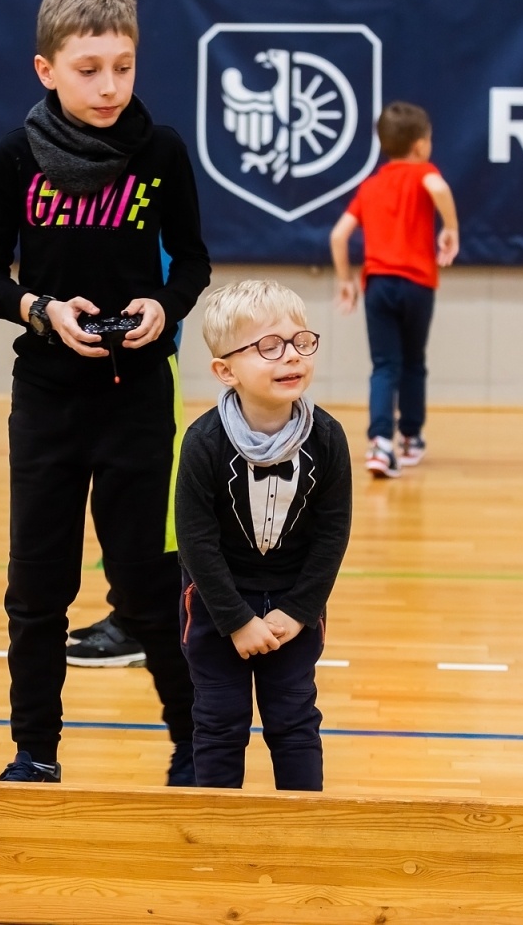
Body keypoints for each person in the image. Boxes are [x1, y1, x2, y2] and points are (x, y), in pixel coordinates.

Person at [0, 0, 210, 784]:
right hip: (45, 397)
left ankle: (195, 744)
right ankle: (35, 754)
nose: (110, 85)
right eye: (88, 68)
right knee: (37, 592)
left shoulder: (161, 152)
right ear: (47, 70)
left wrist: (160, 305)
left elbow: (195, 265)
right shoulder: (14, 156)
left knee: (148, 588)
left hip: (138, 396)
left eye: (123, 65)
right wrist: (41, 310)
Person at [175, 280, 352, 790]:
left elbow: (332, 534)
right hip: (216, 605)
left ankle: (301, 833)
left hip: (295, 604)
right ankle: (216, 833)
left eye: (300, 342)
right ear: (225, 371)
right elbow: (195, 541)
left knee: (294, 720)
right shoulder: (204, 443)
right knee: (219, 723)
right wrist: (235, 621)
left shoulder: (327, 437)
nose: (289, 358)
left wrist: (297, 612)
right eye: (268, 347)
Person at [329, 101, 459, 478]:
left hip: (379, 285)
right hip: (418, 285)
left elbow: (339, 236)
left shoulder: (370, 186)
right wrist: (450, 228)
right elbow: (439, 187)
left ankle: (380, 444)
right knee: (413, 362)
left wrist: (344, 281)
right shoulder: (424, 173)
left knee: (385, 365)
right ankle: (411, 438)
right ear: (420, 146)